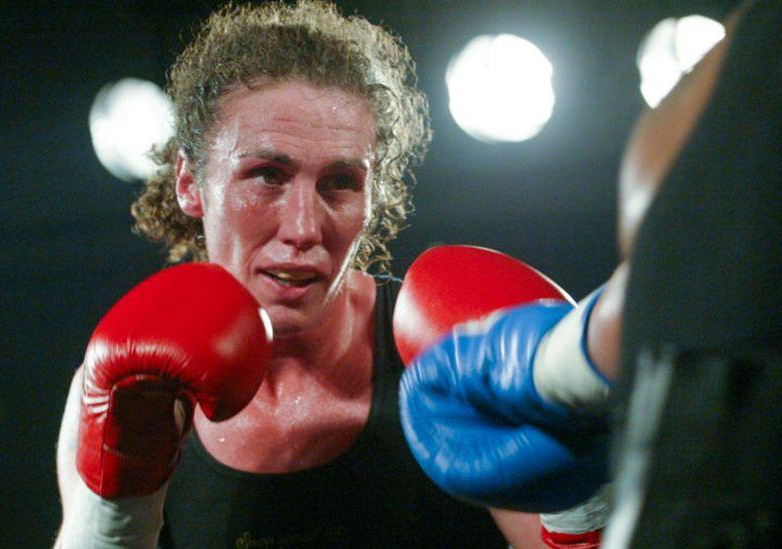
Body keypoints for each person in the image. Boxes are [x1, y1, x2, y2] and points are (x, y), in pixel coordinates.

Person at [54, 1, 532, 547]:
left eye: (341, 182)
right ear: (189, 183)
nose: (304, 228)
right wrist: (120, 506)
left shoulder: (454, 348)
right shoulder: (131, 386)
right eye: (267, 175)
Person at [399, 0, 782, 547]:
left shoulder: (740, 79)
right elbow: (701, 280)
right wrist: (549, 369)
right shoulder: (745, 76)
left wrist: (550, 367)